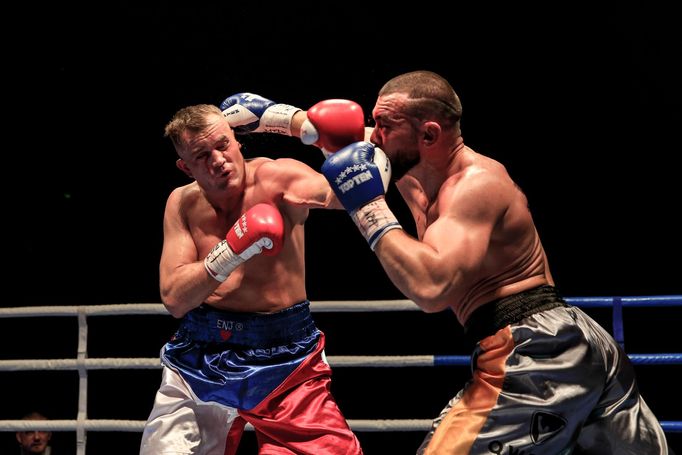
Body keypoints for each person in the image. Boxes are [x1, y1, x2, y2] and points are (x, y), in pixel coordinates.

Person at [315, 70, 671, 454]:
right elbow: (333, 130)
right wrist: (274, 119)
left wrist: (369, 209)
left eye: (384, 125)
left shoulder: (474, 184)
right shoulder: (410, 166)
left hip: (536, 349)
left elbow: (432, 289)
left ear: (429, 135)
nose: (374, 134)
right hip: (565, 343)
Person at [139, 100, 367, 454]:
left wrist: (302, 128)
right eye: (202, 156)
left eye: (223, 145)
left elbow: (352, 191)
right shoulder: (181, 204)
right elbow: (175, 299)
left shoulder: (278, 178)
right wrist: (230, 251)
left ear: (238, 140)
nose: (217, 160)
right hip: (201, 358)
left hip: (286, 360)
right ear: (185, 167)